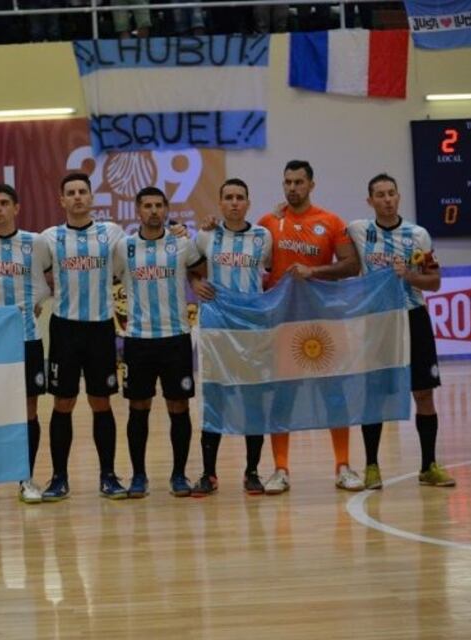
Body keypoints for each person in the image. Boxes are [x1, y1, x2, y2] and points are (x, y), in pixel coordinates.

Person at [257, 160, 362, 495]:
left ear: (311, 185)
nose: (292, 187)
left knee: (333, 393)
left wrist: (314, 272)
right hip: (283, 322)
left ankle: (343, 466)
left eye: (299, 182)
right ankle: (280, 470)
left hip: (323, 322)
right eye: (287, 181)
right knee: (283, 396)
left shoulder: (330, 222)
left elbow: (352, 265)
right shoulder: (268, 223)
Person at [346, 174, 455, 489]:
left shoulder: (418, 235)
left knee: (423, 392)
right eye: (380, 194)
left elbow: (434, 282)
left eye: (391, 193)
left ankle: (428, 466)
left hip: (413, 318)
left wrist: (408, 275)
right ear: (370, 201)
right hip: (378, 322)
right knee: (375, 395)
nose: (387, 199)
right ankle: (371, 467)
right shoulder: (358, 230)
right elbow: (326, 232)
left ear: (398, 197)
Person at [113, 187, 206, 498]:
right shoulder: (123, 248)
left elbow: (201, 271)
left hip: (176, 337)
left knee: (178, 407)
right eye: (147, 206)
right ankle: (139, 476)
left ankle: (179, 475)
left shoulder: (181, 243)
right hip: (138, 340)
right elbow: (105, 278)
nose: (153, 211)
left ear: (166, 209)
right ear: (137, 211)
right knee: (138, 408)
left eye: (158, 206)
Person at [40, 173, 127, 501]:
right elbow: (31, 270)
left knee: (101, 402)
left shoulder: (111, 233)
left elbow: (128, 264)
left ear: (92, 198)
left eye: (82, 192)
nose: (77, 197)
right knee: (63, 403)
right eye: (70, 193)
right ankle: (58, 478)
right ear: (61, 200)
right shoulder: (49, 238)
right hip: (64, 328)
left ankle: (108, 475)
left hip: (100, 327)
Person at [0, 184, 52, 504]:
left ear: (17, 208)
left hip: (27, 337)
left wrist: (37, 302)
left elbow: (50, 280)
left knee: (28, 410)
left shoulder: (35, 243)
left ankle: (25, 478)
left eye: (5, 203)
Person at [191, 179, 273, 495]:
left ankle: (252, 471)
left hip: (252, 328)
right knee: (216, 397)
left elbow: (273, 271)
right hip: (216, 327)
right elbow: (191, 268)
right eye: (229, 198)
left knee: (253, 398)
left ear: (248, 203)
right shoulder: (206, 236)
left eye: (240, 197)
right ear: (220, 203)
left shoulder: (263, 237)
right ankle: (209, 474)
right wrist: (195, 282)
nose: (235, 202)